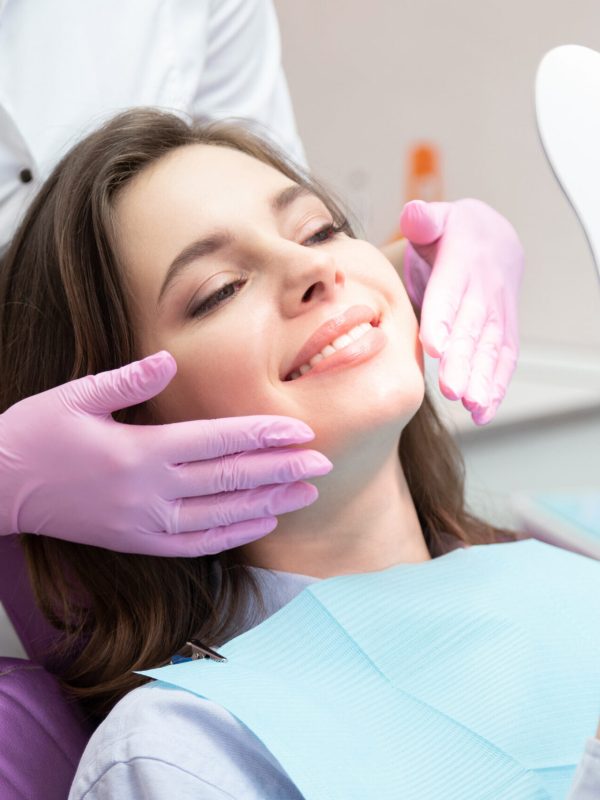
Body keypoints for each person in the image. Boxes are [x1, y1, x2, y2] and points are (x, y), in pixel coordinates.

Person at [0, 108, 596, 799]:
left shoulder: (571, 583)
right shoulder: (183, 751)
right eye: (219, 290)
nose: (312, 266)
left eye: (321, 229)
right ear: (125, 425)